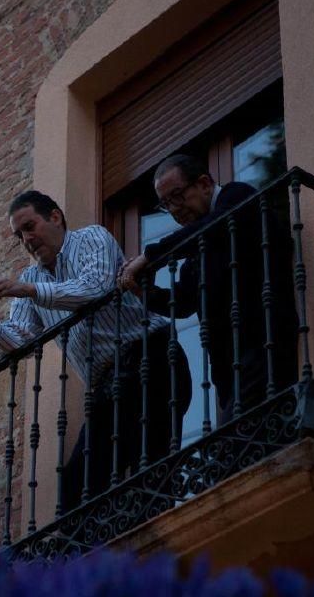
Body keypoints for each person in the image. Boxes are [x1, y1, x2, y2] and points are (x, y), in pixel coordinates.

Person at [0, 190, 191, 508]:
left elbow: (94, 288)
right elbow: (22, 342)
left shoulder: (91, 238)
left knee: (152, 472)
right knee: (75, 492)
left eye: (30, 227)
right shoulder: (32, 278)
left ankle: (159, 544)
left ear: (55, 217)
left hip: (151, 359)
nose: (26, 239)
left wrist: (28, 290)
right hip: (107, 386)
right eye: (19, 235)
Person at [118, 154, 298, 426]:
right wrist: (145, 292)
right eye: (166, 204)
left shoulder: (237, 196)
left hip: (263, 341)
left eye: (177, 196)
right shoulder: (198, 245)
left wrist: (150, 255)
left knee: (239, 444)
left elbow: (216, 226)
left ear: (203, 183)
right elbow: (184, 302)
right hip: (229, 366)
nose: (175, 209)